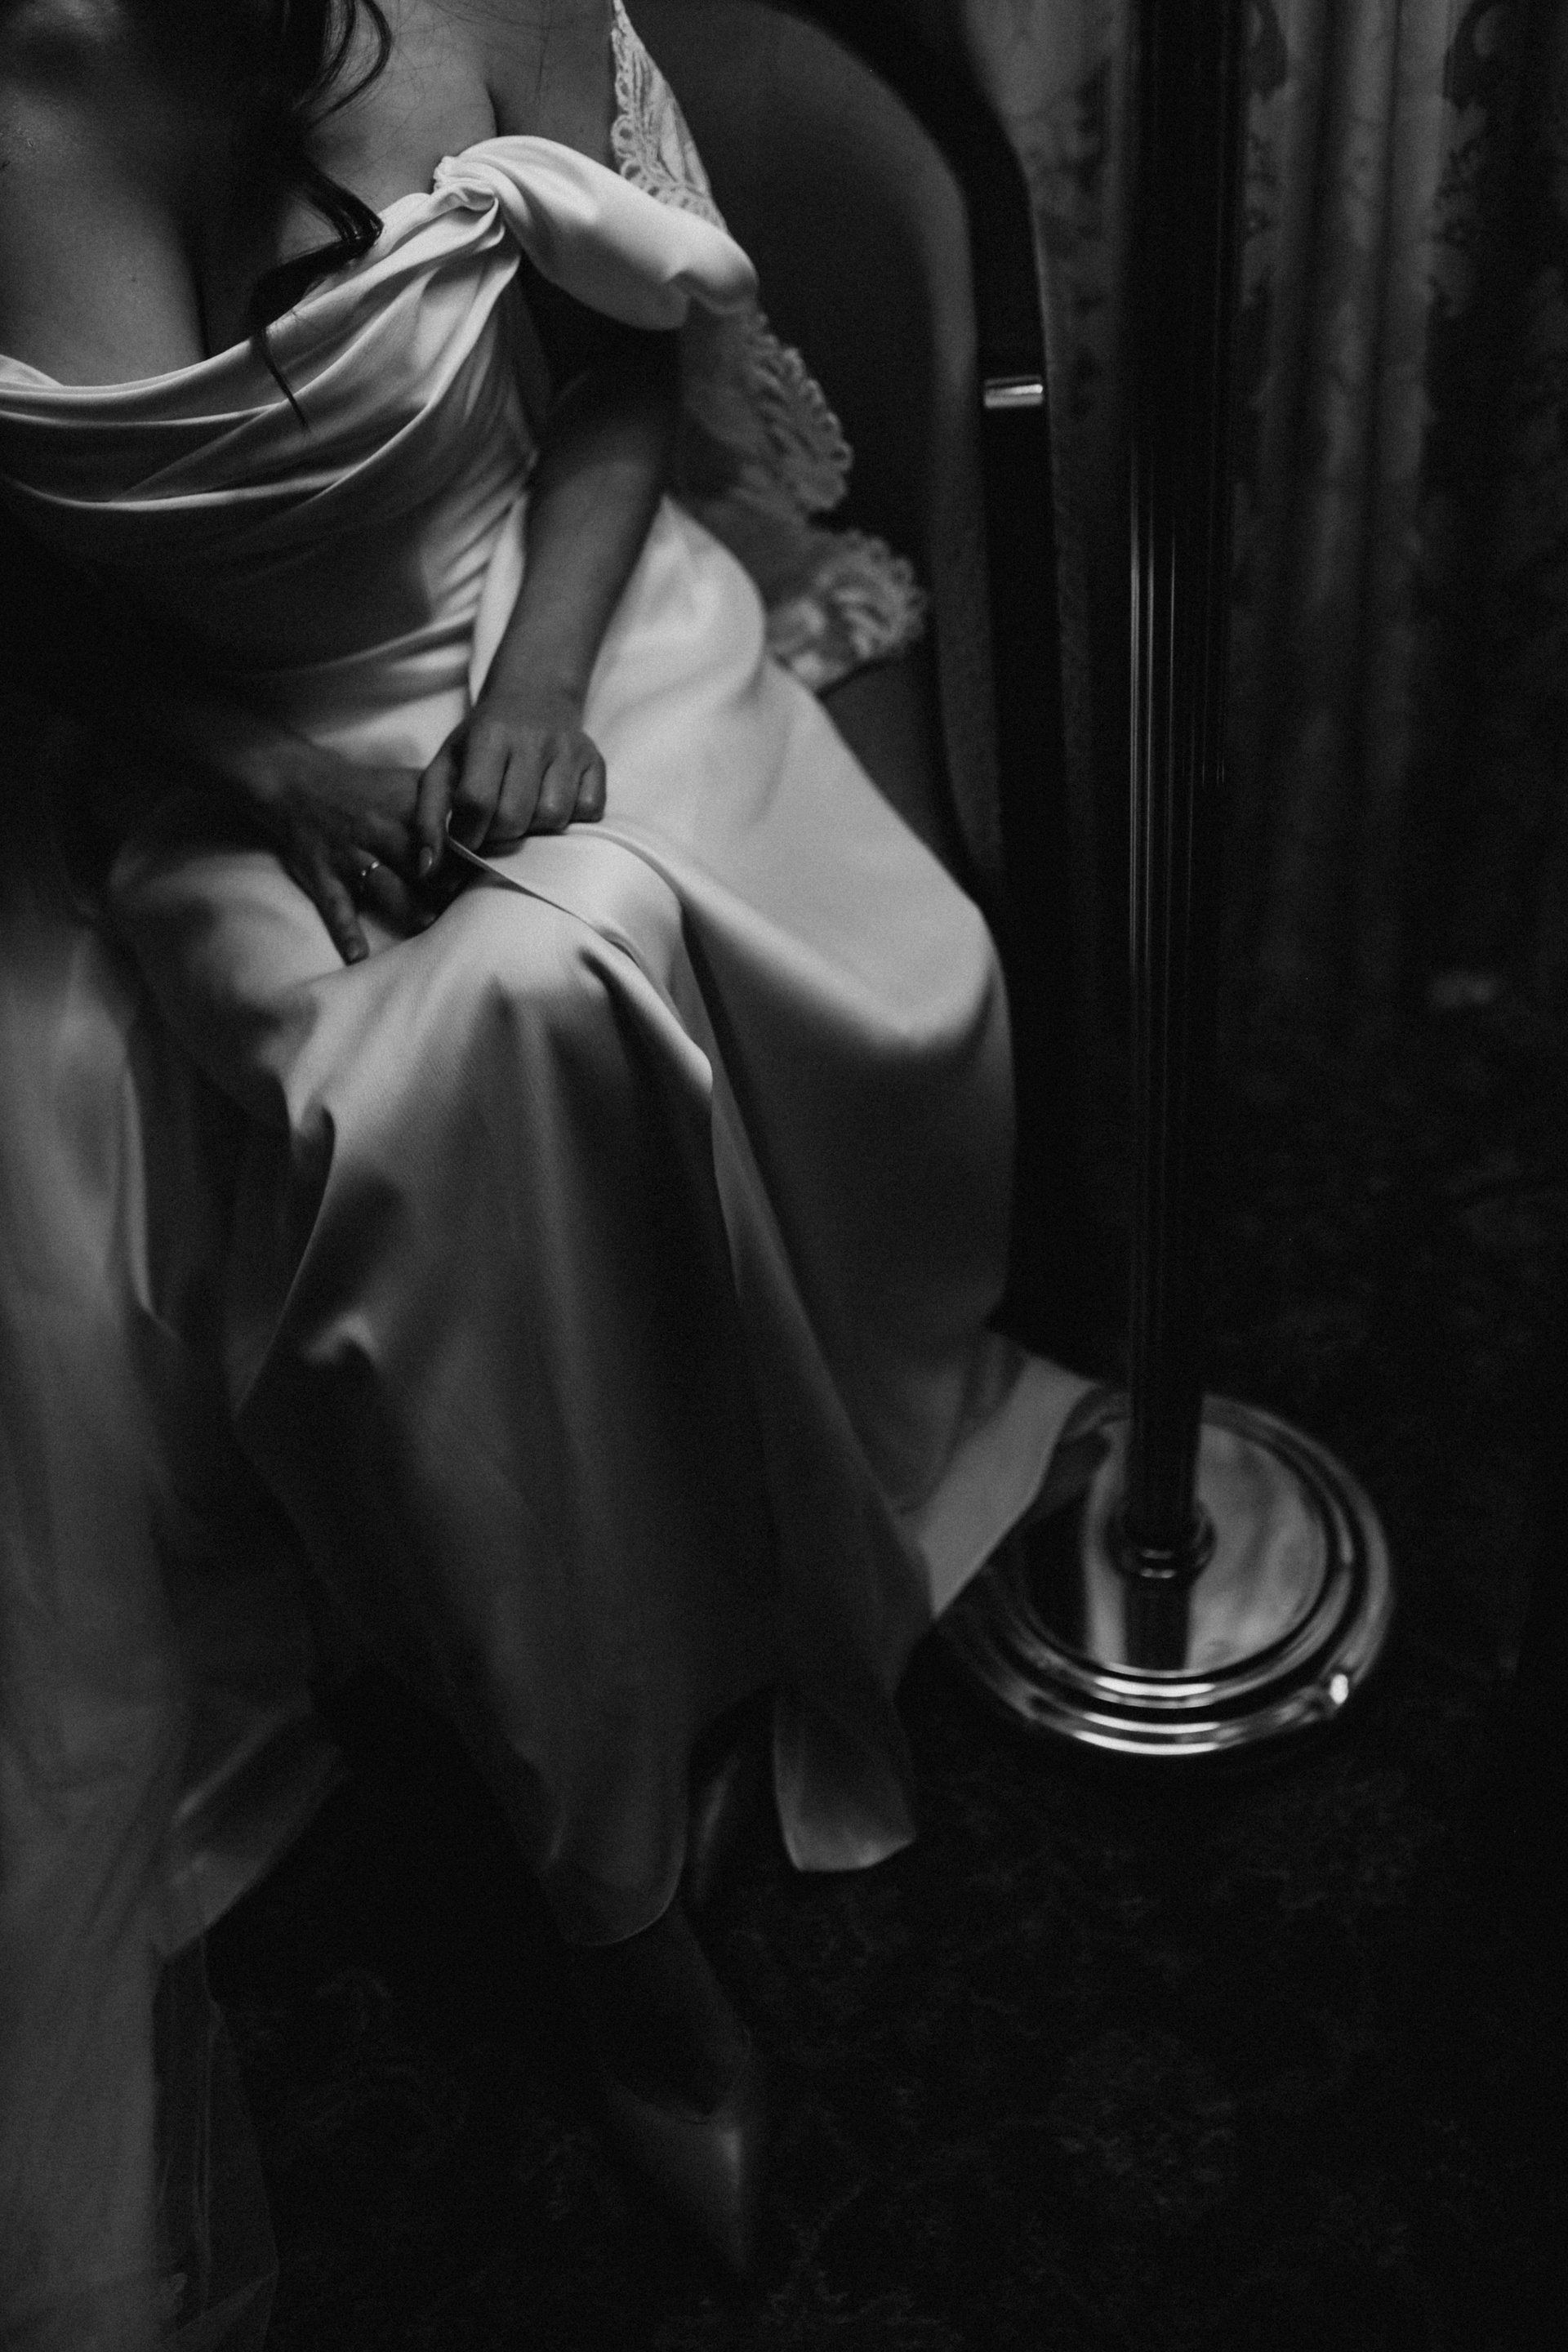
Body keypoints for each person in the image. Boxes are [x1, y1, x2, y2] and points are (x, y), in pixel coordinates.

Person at [0, 0, 1092, 2331]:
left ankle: (699, 1625)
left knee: (541, 972)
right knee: (434, 1067)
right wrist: (265, 776)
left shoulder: (486, 3)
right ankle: (622, 1921)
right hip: (242, 767)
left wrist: (532, 691)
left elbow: (617, 374)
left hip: (556, 628)